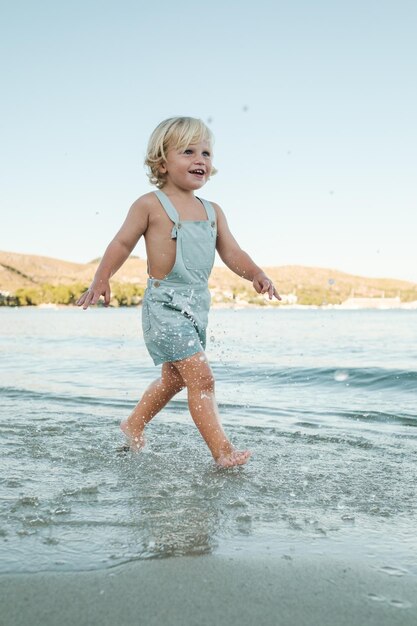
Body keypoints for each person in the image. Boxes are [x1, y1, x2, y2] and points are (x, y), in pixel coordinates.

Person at [77, 116, 281, 467]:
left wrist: (256, 274)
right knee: (202, 377)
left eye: (205, 152)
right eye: (188, 151)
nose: (200, 159)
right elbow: (122, 242)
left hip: (197, 305)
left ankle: (133, 424)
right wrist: (101, 278)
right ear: (162, 162)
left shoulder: (213, 211)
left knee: (174, 380)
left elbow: (231, 252)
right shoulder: (149, 205)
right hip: (163, 305)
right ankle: (223, 452)